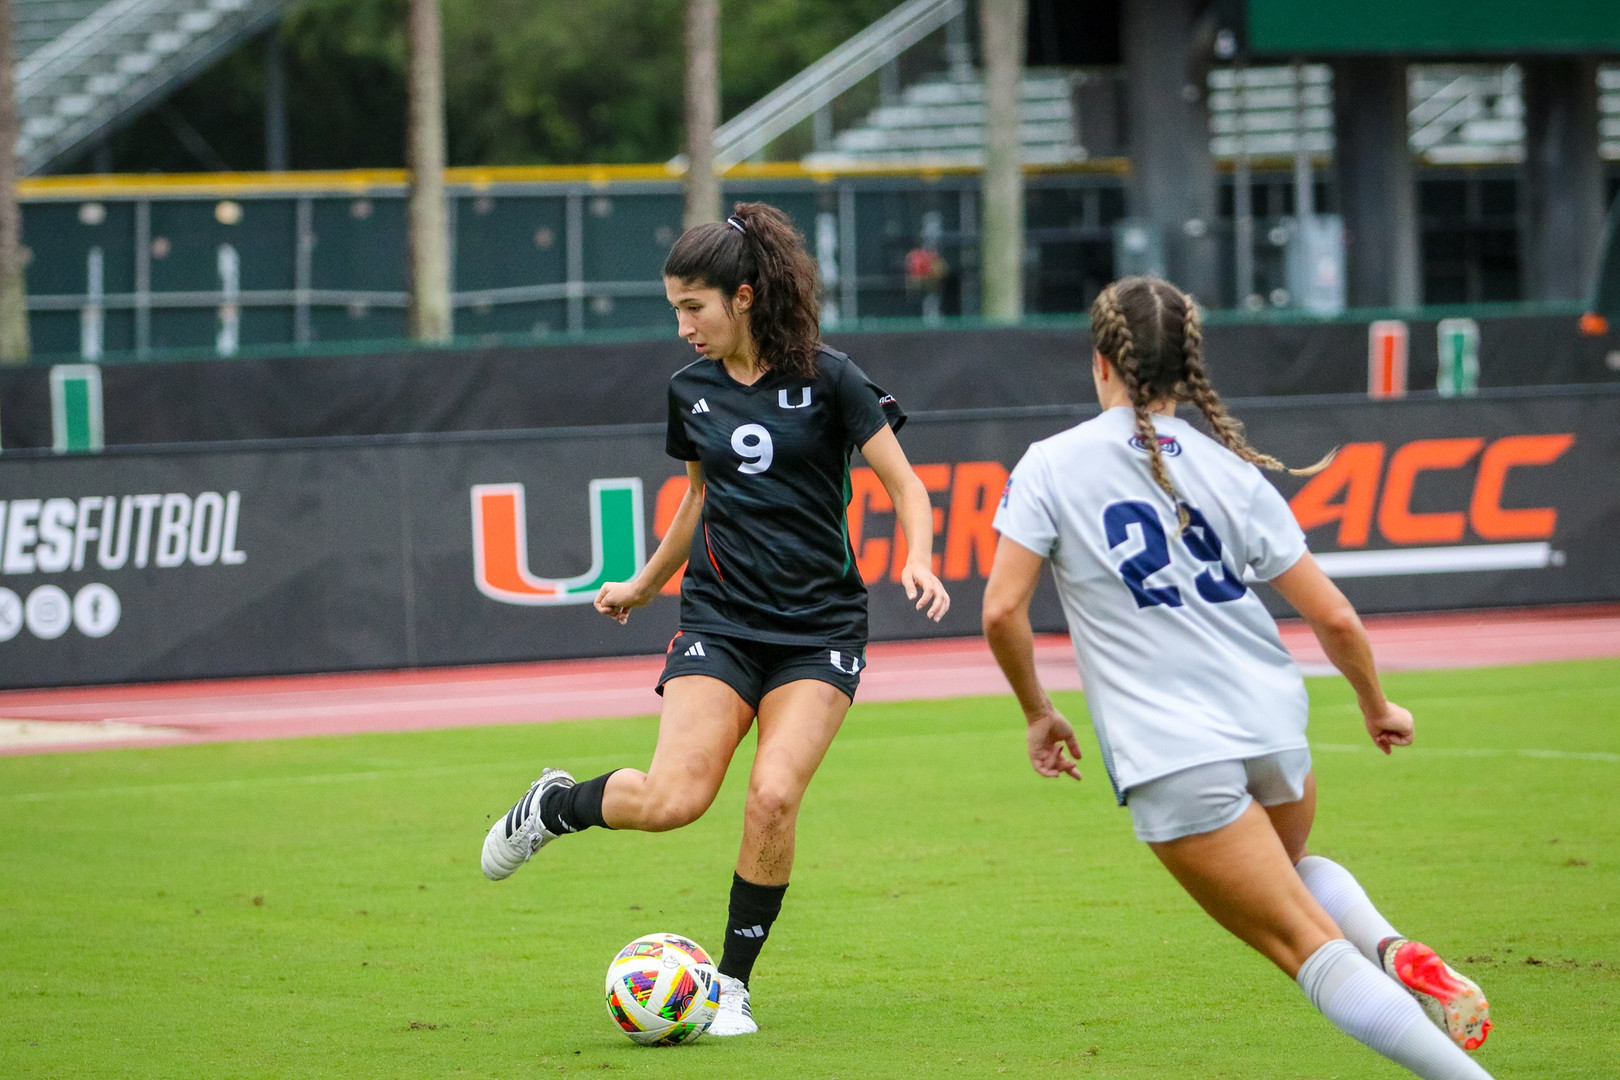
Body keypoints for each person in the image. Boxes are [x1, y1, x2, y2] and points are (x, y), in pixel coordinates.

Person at [981, 276, 1495, 1079]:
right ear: (1187, 370)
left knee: (1304, 946)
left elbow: (1001, 612)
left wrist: (1039, 712)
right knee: (1290, 879)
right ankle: (1389, 945)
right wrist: (1376, 704)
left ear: (1101, 363)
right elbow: (1335, 620)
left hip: (1174, 756)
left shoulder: (1051, 465)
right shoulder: (1232, 472)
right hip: (1273, 732)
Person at [481, 202, 950, 1037]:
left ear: (742, 296)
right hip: (722, 621)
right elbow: (699, 499)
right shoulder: (688, 392)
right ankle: (554, 806)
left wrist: (918, 555)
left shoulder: (832, 376)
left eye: (692, 307)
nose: (682, 327)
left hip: (819, 631)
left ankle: (729, 987)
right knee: (671, 801)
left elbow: (907, 485)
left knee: (771, 797)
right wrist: (643, 582)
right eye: (673, 310)